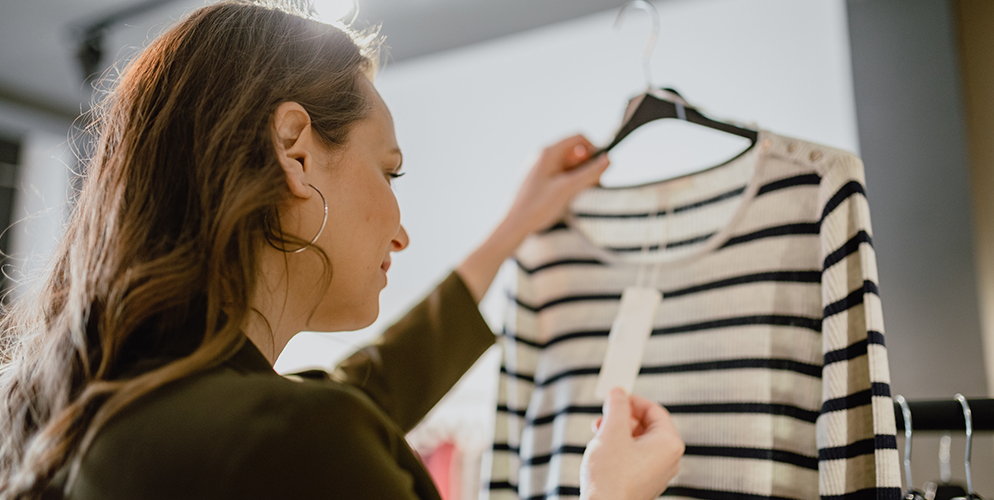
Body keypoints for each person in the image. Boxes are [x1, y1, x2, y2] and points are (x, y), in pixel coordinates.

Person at [0, 1, 684, 499]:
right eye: (390, 171)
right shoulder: (293, 443)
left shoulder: (78, 414)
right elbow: (322, 425)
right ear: (295, 152)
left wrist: (511, 231)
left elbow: (368, 389)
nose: (401, 229)